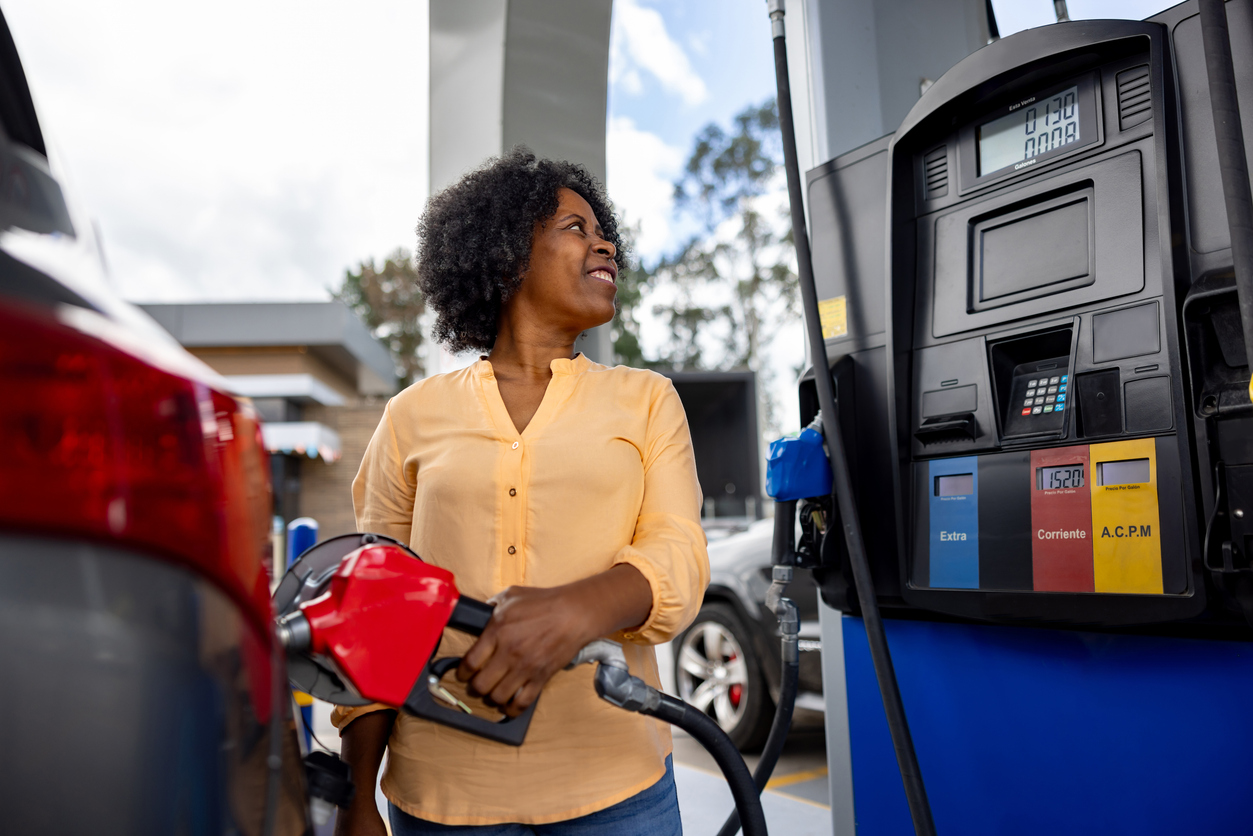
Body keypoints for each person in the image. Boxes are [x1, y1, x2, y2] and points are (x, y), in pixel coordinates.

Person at [333, 148, 709, 835]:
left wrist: (578, 609)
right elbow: (374, 607)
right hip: (442, 793)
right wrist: (359, 796)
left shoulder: (646, 400)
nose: (604, 243)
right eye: (574, 227)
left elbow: (678, 554)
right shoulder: (411, 416)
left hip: (616, 784)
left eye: (605, 231)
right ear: (508, 254)